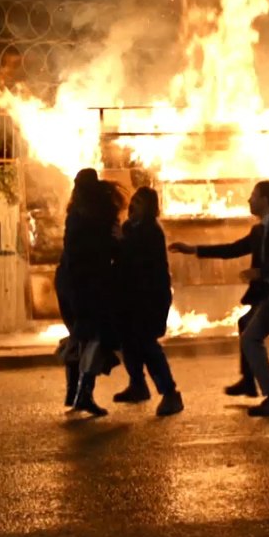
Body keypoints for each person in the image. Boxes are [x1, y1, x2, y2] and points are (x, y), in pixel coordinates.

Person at [168, 180, 269, 417]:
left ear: (265, 199)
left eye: (253, 195)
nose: (249, 200)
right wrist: (194, 250)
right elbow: (231, 249)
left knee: (251, 338)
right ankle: (248, 380)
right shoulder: (258, 230)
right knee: (244, 324)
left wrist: (263, 272)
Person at [55, 169, 124, 417]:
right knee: (95, 338)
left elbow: (72, 252)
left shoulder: (74, 215)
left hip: (69, 282)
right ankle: (83, 394)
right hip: (91, 285)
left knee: (81, 336)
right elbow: (110, 248)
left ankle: (74, 392)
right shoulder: (102, 214)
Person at [112, 186, 184, 417]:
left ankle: (170, 393)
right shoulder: (129, 228)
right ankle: (138, 385)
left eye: (139, 203)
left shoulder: (152, 231)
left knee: (147, 344)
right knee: (128, 341)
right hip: (129, 295)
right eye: (134, 201)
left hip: (150, 296)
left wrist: (122, 241)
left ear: (150, 208)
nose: (134, 205)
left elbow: (140, 261)